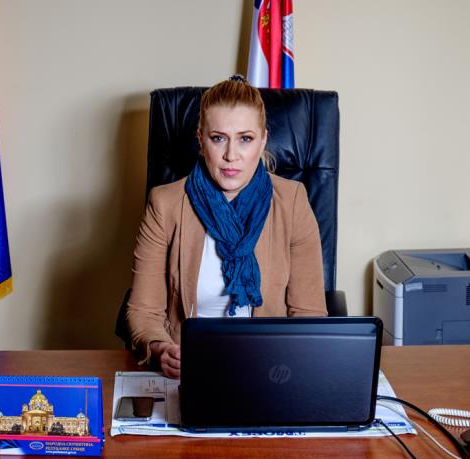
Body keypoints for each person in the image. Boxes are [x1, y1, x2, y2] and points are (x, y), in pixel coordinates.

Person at [125, 76, 327, 379]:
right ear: (201, 140)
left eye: (245, 138)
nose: (231, 155)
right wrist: (160, 348)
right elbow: (144, 311)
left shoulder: (293, 201)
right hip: (190, 369)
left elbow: (309, 314)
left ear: (263, 140)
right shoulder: (165, 205)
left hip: (270, 369)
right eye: (218, 138)